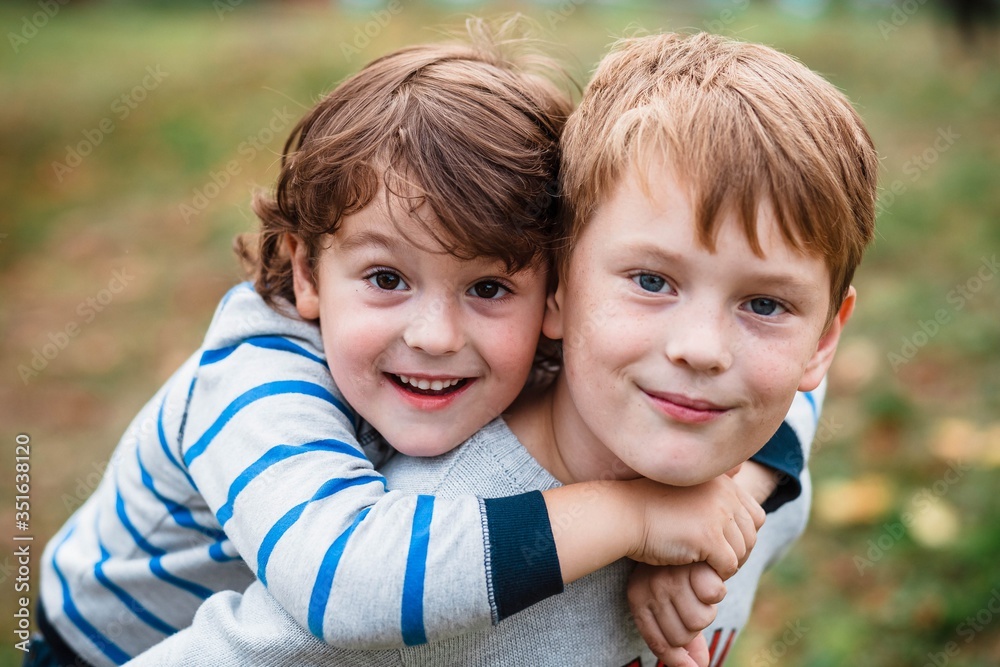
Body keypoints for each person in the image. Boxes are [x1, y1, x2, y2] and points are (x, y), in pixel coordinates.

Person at [122, 30, 878, 667]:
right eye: (652, 280)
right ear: (307, 268)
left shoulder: (713, 416)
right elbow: (344, 579)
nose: (704, 351)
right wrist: (639, 516)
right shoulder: (262, 375)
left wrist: (730, 500)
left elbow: (791, 381)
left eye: (764, 303)